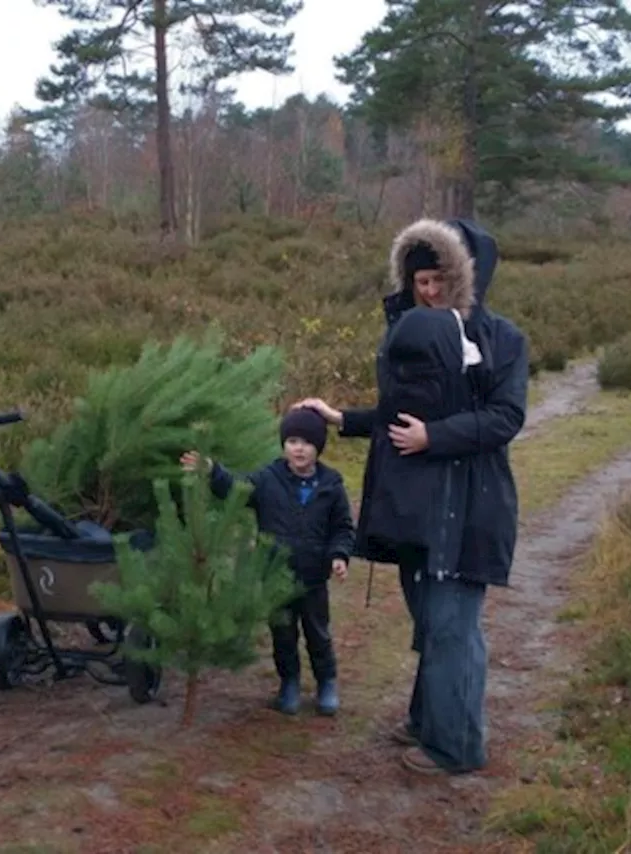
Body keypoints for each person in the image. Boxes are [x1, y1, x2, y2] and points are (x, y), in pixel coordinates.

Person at [293, 217, 528, 776]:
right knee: (432, 626)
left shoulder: (502, 340)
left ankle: (458, 748)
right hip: (416, 512)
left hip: (468, 508)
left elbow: (506, 417)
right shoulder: (415, 335)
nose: (428, 291)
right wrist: (343, 419)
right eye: (419, 280)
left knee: (453, 628)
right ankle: (429, 723)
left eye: (439, 278)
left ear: (468, 276)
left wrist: (434, 437)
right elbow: (399, 417)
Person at [180, 407, 356, 716]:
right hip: (274, 576)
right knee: (283, 634)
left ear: (319, 446)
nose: (298, 448)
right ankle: (288, 683)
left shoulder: (331, 486)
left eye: (306, 442)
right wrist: (213, 471)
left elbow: (342, 529)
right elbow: (236, 487)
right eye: (292, 441)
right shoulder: (268, 479)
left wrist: (338, 556)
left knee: (318, 634)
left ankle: (326, 682)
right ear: (284, 445)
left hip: (313, 578)